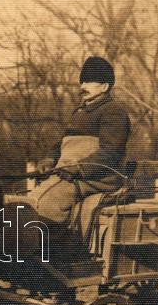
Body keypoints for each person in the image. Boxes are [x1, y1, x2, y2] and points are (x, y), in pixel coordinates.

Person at [28, 56, 131, 227]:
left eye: (89, 81)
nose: (83, 86)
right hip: (70, 175)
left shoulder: (113, 111)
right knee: (27, 201)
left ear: (105, 86)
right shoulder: (79, 112)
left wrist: (78, 168)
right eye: (82, 81)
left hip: (99, 179)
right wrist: (50, 159)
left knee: (44, 205)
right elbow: (61, 143)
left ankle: (55, 244)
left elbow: (111, 152)